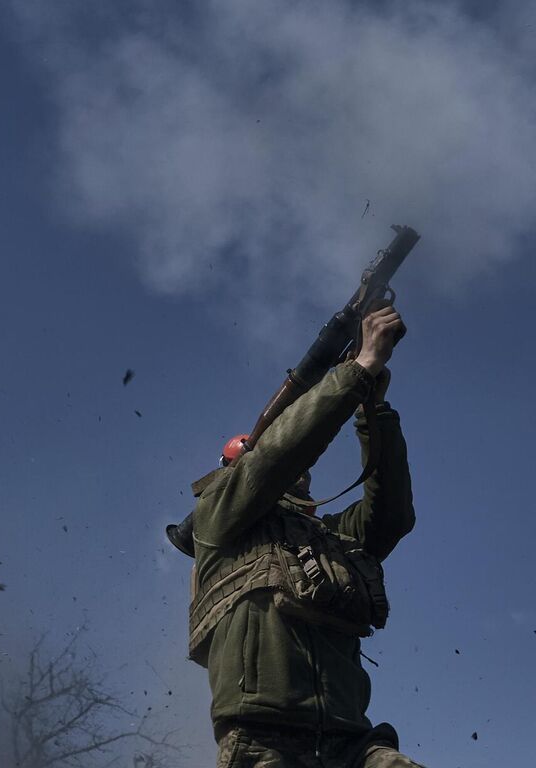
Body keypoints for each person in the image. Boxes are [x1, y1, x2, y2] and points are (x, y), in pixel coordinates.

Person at [182, 305, 424, 768]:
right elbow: (274, 459)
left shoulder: (327, 538)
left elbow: (392, 515)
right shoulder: (218, 520)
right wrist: (357, 370)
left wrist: (373, 408)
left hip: (354, 744)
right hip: (265, 745)